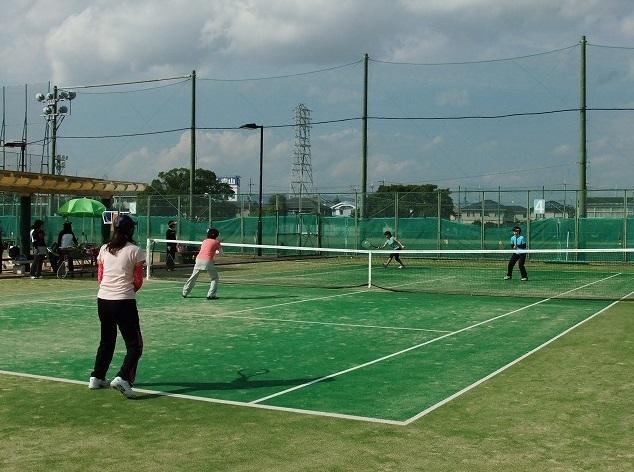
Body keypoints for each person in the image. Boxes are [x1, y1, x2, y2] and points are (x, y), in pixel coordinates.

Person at [89, 214, 146, 398]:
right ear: (131, 230)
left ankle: (97, 377)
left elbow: (100, 276)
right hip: (123, 301)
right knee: (135, 345)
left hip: (102, 300)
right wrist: (127, 292)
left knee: (106, 340)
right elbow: (137, 281)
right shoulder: (135, 250)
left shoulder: (104, 249)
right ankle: (123, 378)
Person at [182, 228, 222, 300]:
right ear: (216, 235)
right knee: (215, 278)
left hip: (198, 260)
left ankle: (185, 292)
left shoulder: (204, 241)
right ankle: (211, 295)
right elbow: (221, 253)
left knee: (193, 277)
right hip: (207, 261)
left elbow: (205, 250)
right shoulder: (216, 242)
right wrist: (217, 251)